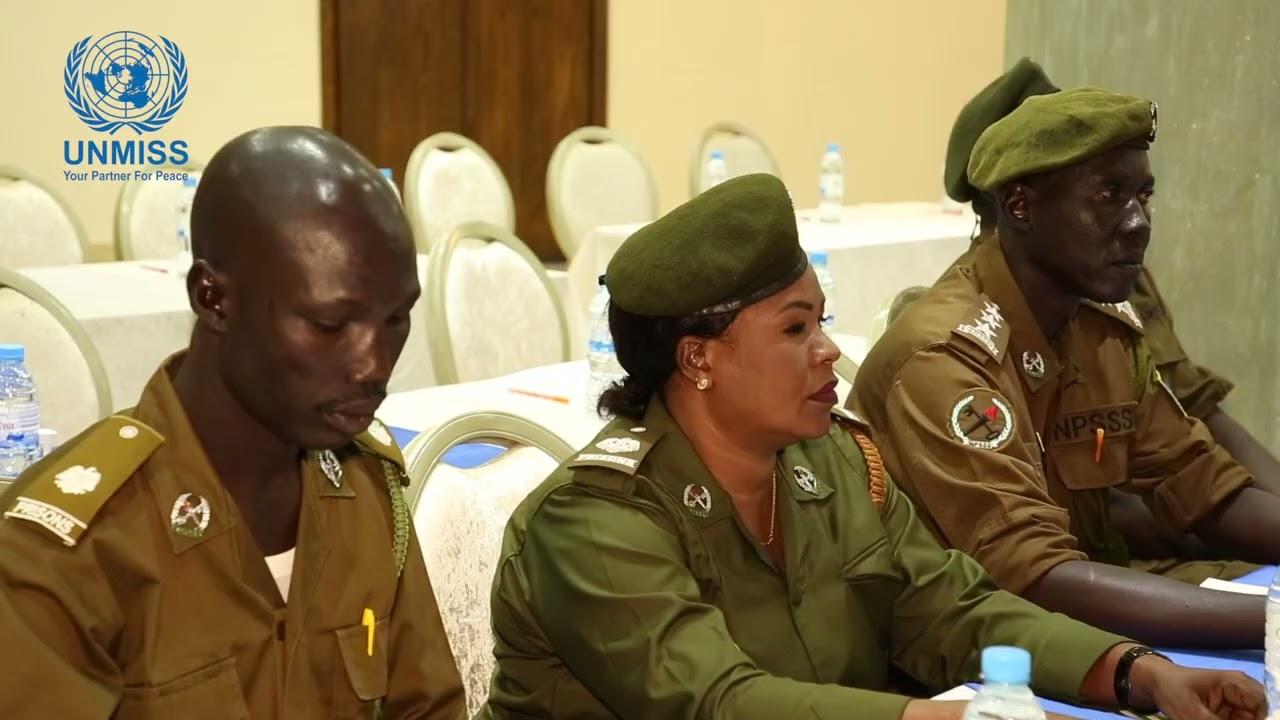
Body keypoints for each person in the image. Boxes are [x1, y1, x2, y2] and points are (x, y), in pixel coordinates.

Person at [477, 173, 1264, 720]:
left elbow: (954, 611)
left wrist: (1139, 674)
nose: (828, 350)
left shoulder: (834, 465)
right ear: (698, 359)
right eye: (795, 329)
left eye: (821, 320)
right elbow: (718, 701)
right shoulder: (596, 521)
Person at [0, 127, 465, 717]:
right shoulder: (66, 554)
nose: (374, 365)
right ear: (212, 298)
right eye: (329, 325)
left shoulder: (368, 491)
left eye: (396, 319)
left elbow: (428, 708)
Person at [853, 88, 1280, 648]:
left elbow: (1206, 488)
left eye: (1143, 196)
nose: (1139, 222)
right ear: (1020, 206)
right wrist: (1271, 621)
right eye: (1108, 195)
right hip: (971, 644)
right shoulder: (944, 356)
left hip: (1080, 608)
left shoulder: (1101, 331)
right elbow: (1035, 576)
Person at [943, 57, 1280, 511]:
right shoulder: (952, 329)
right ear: (1012, 197)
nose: (1136, 222)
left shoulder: (1115, 280)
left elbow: (1190, 421)